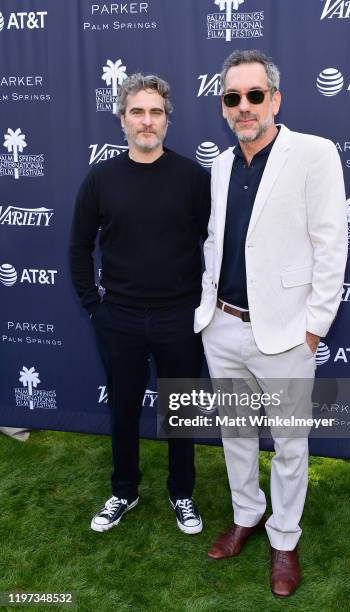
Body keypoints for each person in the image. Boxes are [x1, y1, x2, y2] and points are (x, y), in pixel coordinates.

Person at [194, 50, 348, 597]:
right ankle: (247, 514)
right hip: (224, 328)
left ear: (275, 99)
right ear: (223, 107)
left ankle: (284, 539)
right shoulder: (220, 164)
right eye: (233, 98)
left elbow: (332, 244)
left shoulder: (313, 154)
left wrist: (315, 327)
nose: (244, 106)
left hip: (286, 335)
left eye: (254, 95)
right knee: (235, 434)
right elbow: (217, 240)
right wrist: (208, 315)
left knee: (289, 443)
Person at [70, 73, 210, 535]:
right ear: (122, 120)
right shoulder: (101, 178)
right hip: (120, 318)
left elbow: (216, 245)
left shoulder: (193, 177)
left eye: (155, 112)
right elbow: (78, 247)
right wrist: (95, 307)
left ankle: (182, 493)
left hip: (179, 317)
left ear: (167, 121)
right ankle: (124, 490)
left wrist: (200, 306)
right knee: (124, 408)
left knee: (181, 410)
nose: (146, 121)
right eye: (137, 112)